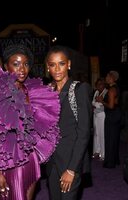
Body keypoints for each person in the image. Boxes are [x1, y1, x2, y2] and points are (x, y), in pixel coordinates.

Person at [0, 44, 60, 200]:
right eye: (16, 64)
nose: (22, 69)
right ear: (5, 66)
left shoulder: (30, 90)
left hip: (30, 158)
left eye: (26, 64)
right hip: (8, 161)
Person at [45, 45, 92, 200]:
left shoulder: (79, 89)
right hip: (52, 163)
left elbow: (84, 133)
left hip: (71, 161)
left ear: (69, 64)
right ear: (47, 67)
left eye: (62, 63)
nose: (57, 69)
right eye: (53, 64)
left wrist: (72, 169)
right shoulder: (46, 92)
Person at [96, 70, 122, 168]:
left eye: (107, 76)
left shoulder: (111, 89)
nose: (106, 78)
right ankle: (115, 160)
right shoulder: (116, 88)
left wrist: (102, 101)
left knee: (110, 138)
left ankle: (110, 163)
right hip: (116, 114)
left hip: (112, 115)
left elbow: (111, 106)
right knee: (114, 138)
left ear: (112, 78)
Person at [92, 78, 107, 161]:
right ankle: (97, 150)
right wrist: (95, 106)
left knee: (102, 134)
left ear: (104, 84)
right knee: (96, 133)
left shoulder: (106, 92)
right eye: (97, 84)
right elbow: (93, 103)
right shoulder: (96, 92)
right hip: (95, 115)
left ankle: (103, 153)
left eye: (100, 84)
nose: (98, 86)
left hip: (102, 115)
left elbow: (105, 106)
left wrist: (97, 105)